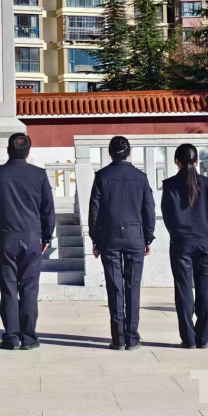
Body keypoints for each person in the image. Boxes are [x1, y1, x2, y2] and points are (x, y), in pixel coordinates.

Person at [0, 133, 55, 350]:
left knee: (9, 288)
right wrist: (47, 236)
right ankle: (29, 337)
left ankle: (12, 337)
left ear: (8, 150)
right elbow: (48, 209)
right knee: (29, 288)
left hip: (6, 238)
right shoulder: (39, 175)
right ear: (28, 152)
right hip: (31, 238)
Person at [88, 136, 155, 350]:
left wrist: (96, 240)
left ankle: (118, 339)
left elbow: (94, 212)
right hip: (135, 237)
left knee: (115, 287)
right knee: (133, 286)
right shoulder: (141, 177)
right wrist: (148, 237)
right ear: (129, 152)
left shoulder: (101, 176)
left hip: (110, 238)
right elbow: (149, 210)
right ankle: (132, 338)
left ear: (110, 153)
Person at [161, 143, 208, 349]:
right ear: (197, 161)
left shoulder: (170, 185)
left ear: (177, 162)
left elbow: (168, 216)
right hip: (204, 241)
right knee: (205, 290)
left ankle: (189, 339)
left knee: (184, 291)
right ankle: (203, 338)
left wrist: (178, 235)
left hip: (181, 243)